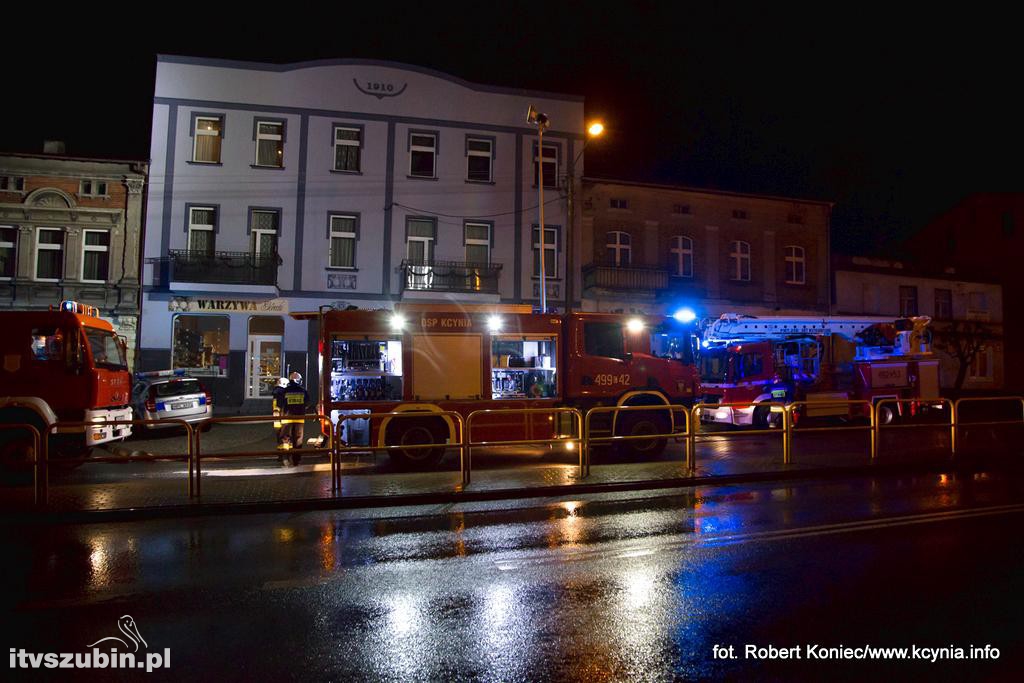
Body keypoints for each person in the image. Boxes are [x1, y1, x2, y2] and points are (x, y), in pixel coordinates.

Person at [275, 372, 309, 467]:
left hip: (286, 419)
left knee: (285, 439)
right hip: (299, 419)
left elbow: (279, 404)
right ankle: (296, 460)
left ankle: (285, 458)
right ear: (298, 381)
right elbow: (307, 403)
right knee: (298, 440)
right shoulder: (303, 391)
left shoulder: (284, 391)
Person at [272, 377, 289, 452]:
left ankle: (280, 453)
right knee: (285, 435)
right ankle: (286, 452)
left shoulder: (276, 392)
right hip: (283, 417)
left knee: (279, 436)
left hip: (276, 418)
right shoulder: (283, 393)